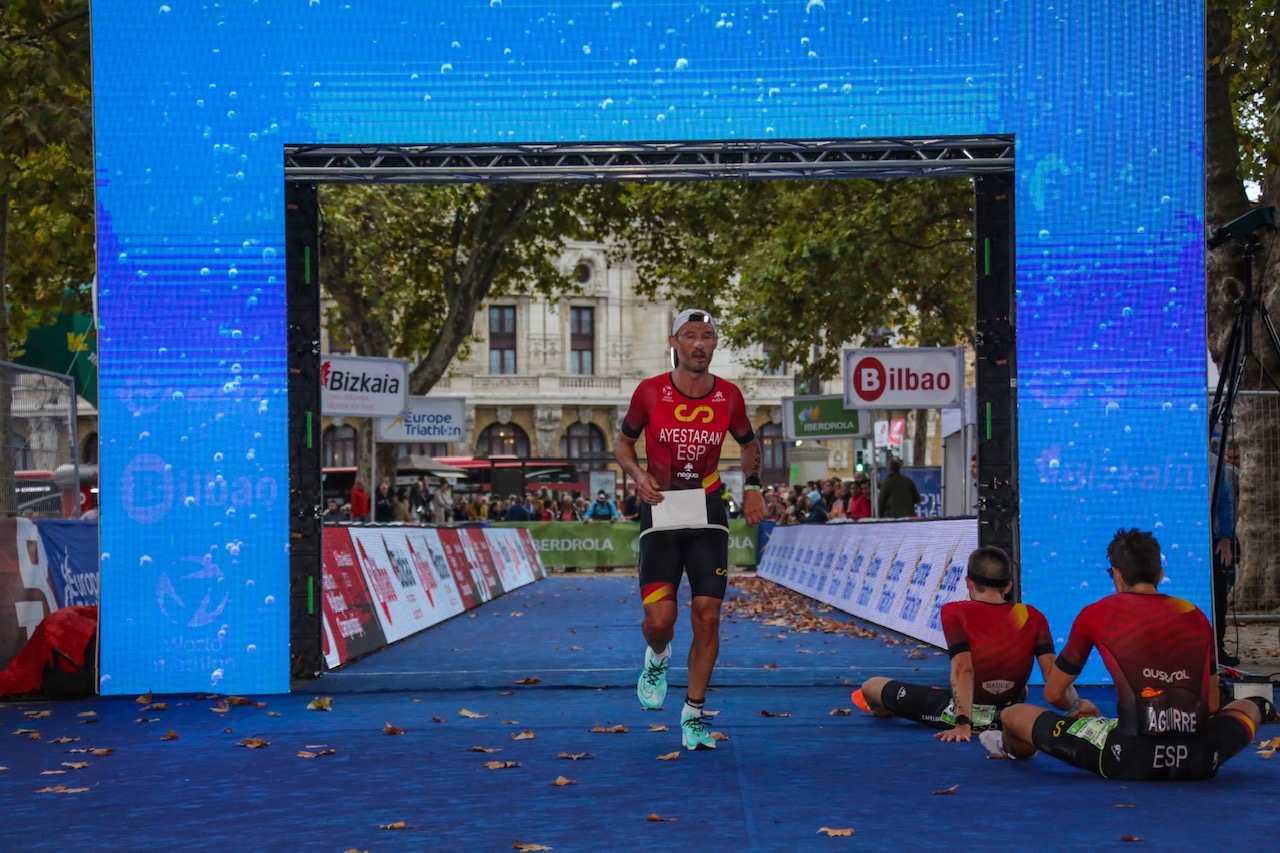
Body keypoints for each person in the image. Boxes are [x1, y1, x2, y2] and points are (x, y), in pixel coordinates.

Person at [992, 528, 1270, 780]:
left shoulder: (1096, 613)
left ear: (1117, 574)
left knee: (1013, 714)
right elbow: (1210, 704)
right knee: (1249, 706)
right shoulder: (1194, 614)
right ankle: (1267, 708)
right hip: (1199, 759)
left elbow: (1053, 694)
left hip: (1127, 757)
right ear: (1159, 575)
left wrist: (1078, 707)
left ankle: (1010, 749)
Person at [614, 308, 766, 751]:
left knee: (708, 614)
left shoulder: (730, 396)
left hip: (707, 512)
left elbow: (749, 441)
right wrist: (637, 476)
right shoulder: (649, 392)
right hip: (660, 510)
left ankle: (694, 713)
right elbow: (623, 441)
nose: (699, 344)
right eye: (690, 336)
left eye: (707, 336)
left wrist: (753, 486)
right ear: (674, 342)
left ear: (716, 344)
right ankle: (658, 657)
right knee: (660, 621)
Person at [852, 546, 1083, 741]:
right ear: (1008, 586)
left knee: (871, 686)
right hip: (1012, 715)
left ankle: (883, 712)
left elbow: (963, 667)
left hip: (962, 713)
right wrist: (1076, 707)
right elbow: (1054, 679)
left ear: (968, 582)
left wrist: (963, 722)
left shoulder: (955, 611)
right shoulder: (1031, 615)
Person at [1212, 440, 1240, 666]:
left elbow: (1224, 501)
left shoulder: (1214, 463)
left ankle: (1216, 646)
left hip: (1211, 538)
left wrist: (1225, 538)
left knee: (1218, 594)